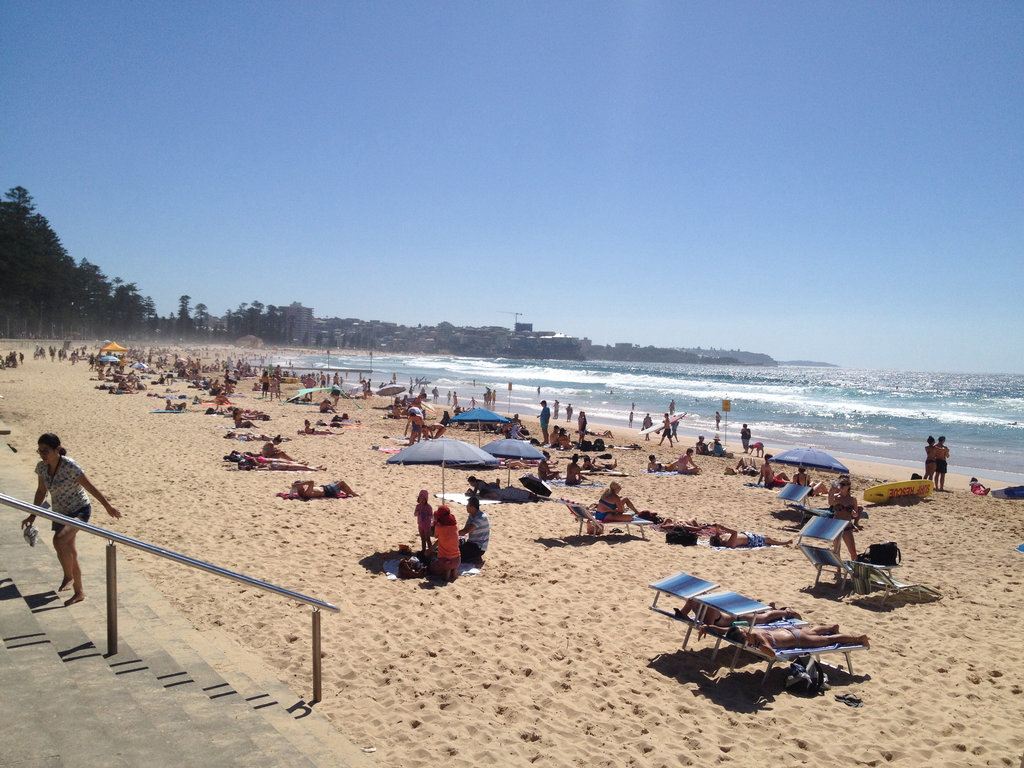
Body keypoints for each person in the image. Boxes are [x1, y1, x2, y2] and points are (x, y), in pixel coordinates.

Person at [21, 433, 123, 606]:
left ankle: (73, 582)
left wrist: (108, 506)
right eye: (39, 451)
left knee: (59, 540)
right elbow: (40, 491)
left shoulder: (70, 465)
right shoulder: (42, 467)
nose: (42, 454)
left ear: (57, 449)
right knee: (69, 548)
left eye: (46, 451)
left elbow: (90, 486)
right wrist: (32, 515)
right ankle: (74, 585)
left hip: (80, 510)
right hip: (60, 512)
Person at [728, 624, 870, 657]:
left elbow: (771, 653)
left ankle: (858, 638)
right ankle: (831, 627)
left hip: (796, 639)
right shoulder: (753, 629)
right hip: (788, 630)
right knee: (813, 632)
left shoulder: (756, 637)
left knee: (827, 640)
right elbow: (727, 630)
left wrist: (758, 644)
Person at [428, 506, 461, 582]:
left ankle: (447, 571)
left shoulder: (439, 528)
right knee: (451, 560)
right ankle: (453, 570)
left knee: (432, 567)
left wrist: (436, 525)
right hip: (457, 560)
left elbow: (436, 536)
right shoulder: (455, 526)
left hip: (444, 561)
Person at [831, 478, 861, 559]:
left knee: (853, 552)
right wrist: (832, 490)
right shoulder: (836, 497)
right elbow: (830, 503)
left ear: (848, 486)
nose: (841, 486)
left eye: (843, 484)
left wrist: (854, 513)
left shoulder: (852, 499)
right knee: (837, 550)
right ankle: (838, 569)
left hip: (847, 525)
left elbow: (856, 514)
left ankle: (854, 569)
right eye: (840, 484)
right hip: (836, 525)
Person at [458, 496, 490, 565]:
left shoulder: (481, 517)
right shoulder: (472, 515)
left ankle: (476, 557)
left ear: (472, 507)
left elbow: (466, 531)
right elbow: (465, 529)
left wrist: (451, 533)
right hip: (472, 543)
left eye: (468, 505)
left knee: (457, 556)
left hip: (479, 547)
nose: (466, 507)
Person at [707, 525, 792, 549]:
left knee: (767, 538)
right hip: (751, 540)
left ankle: (783, 542)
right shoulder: (728, 544)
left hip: (747, 535)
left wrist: (718, 527)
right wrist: (724, 527)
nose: (717, 535)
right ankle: (784, 543)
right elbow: (734, 533)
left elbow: (718, 530)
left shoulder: (722, 537)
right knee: (767, 539)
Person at [290, 479, 358, 498]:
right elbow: (311, 482)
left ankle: (349, 493)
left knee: (338, 482)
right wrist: (300, 484)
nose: (303, 485)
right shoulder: (305, 494)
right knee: (342, 483)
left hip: (325, 488)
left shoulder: (302, 491)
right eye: (301, 485)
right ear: (299, 487)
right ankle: (353, 494)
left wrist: (299, 485)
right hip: (328, 491)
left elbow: (292, 492)